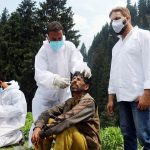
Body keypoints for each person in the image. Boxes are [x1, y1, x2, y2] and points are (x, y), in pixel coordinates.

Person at [29, 21, 91, 147]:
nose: (57, 41)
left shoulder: (69, 47)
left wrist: (82, 69)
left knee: (65, 123)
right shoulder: (43, 52)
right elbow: (39, 74)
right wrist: (54, 80)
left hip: (64, 93)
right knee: (39, 125)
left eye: (60, 38)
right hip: (45, 95)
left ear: (63, 35)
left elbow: (76, 62)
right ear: (47, 37)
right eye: (54, 39)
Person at [107, 6, 150, 150]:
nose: (114, 22)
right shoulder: (116, 47)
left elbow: (149, 64)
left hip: (140, 97)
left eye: (117, 18)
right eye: (112, 20)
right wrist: (111, 98)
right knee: (127, 135)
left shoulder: (143, 36)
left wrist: (147, 93)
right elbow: (114, 73)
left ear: (128, 18)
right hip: (122, 98)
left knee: (145, 137)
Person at [31, 71, 101, 150]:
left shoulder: (88, 102)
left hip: (87, 145)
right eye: (73, 78)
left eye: (78, 79)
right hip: (73, 141)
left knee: (65, 128)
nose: (74, 80)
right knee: (48, 121)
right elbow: (46, 113)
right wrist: (38, 128)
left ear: (86, 87)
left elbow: (67, 119)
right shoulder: (69, 102)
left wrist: (42, 133)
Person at [0, 73, 27, 147]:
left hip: (12, 123)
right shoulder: (2, 93)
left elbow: (19, 110)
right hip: (2, 121)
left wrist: (1, 110)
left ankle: (18, 136)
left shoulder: (16, 93)